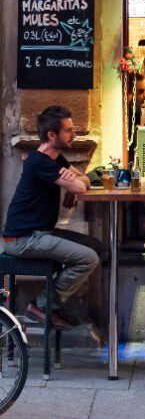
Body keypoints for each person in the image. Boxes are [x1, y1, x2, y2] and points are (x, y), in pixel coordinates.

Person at [1, 106, 100, 329]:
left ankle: (51, 305)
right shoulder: (39, 162)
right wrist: (74, 184)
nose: (74, 135)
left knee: (96, 247)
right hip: (22, 239)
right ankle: (40, 305)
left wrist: (75, 183)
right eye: (69, 131)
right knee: (89, 258)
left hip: (39, 233)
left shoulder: (56, 158)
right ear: (51, 135)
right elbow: (80, 186)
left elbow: (82, 180)